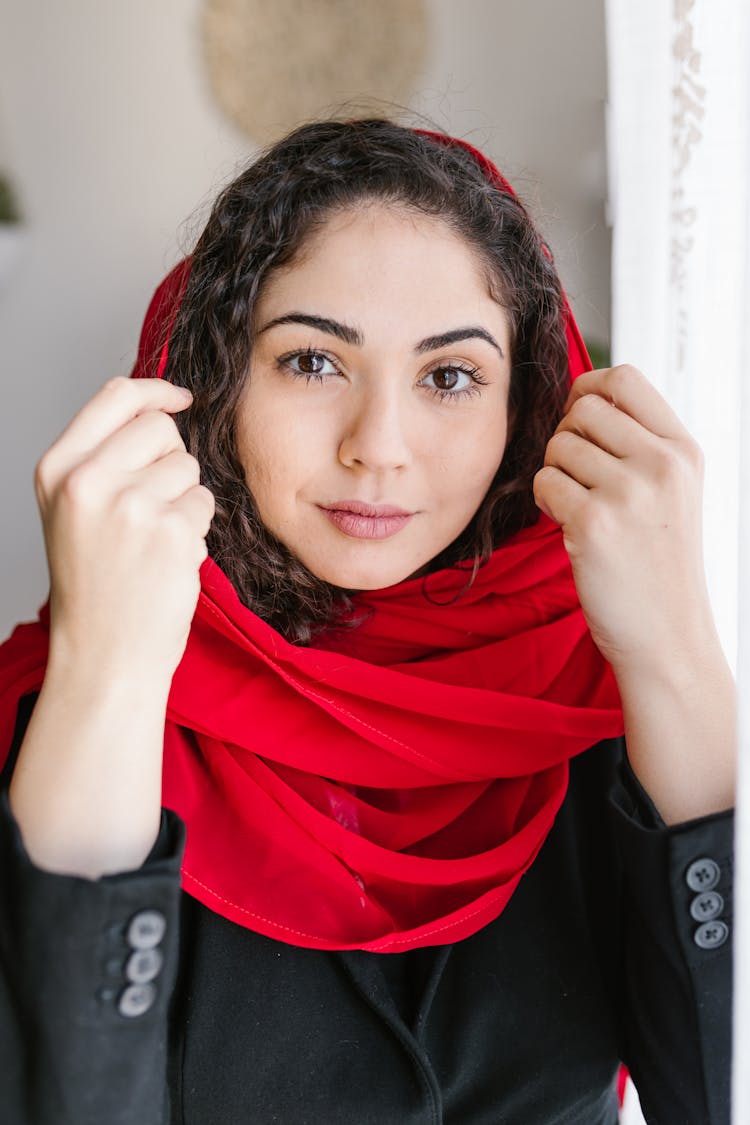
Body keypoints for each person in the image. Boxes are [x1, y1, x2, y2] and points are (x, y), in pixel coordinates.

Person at [0, 119, 736, 1124]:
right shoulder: (75, 696)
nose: (378, 448)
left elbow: (718, 1089)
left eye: (449, 376)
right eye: (311, 363)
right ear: (212, 376)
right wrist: (108, 668)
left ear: (524, 406)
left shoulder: (591, 701)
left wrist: (678, 648)